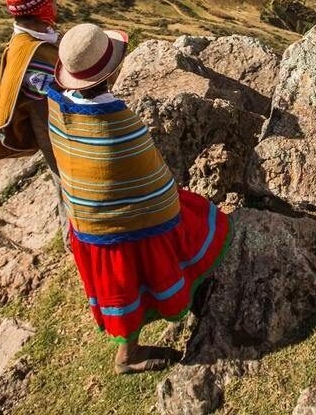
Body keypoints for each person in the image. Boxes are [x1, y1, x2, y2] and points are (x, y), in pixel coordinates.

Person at [47, 22, 232, 374]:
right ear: (112, 72)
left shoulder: (57, 105)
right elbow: (153, 178)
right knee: (195, 221)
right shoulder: (115, 120)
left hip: (86, 218)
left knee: (119, 289)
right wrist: (165, 200)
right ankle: (132, 353)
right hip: (127, 224)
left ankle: (129, 348)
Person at [0, 0, 68, 240]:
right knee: (71, 191)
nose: (57, 5)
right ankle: (77, 243)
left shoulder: (36, 40)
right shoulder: (30, 52)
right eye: (52, 1)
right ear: (42, 8)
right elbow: (62, 94)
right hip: (58, 135)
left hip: (57, 131)